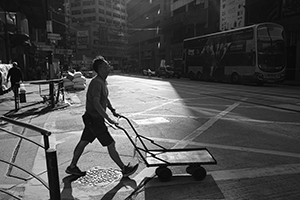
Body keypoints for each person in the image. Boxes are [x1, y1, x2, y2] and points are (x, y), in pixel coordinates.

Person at [66, 56, 138, 177]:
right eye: (106, 66)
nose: (109, 68)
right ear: (100, 69)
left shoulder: (102, 81)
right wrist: (108, 118)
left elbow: (105, 98)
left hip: (92, 118)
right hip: (95, 120)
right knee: (110, 143)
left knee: (83, 142)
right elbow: (96, 103)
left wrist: (112, 110)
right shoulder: (97, 83)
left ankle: (72, 166)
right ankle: (124, 169)